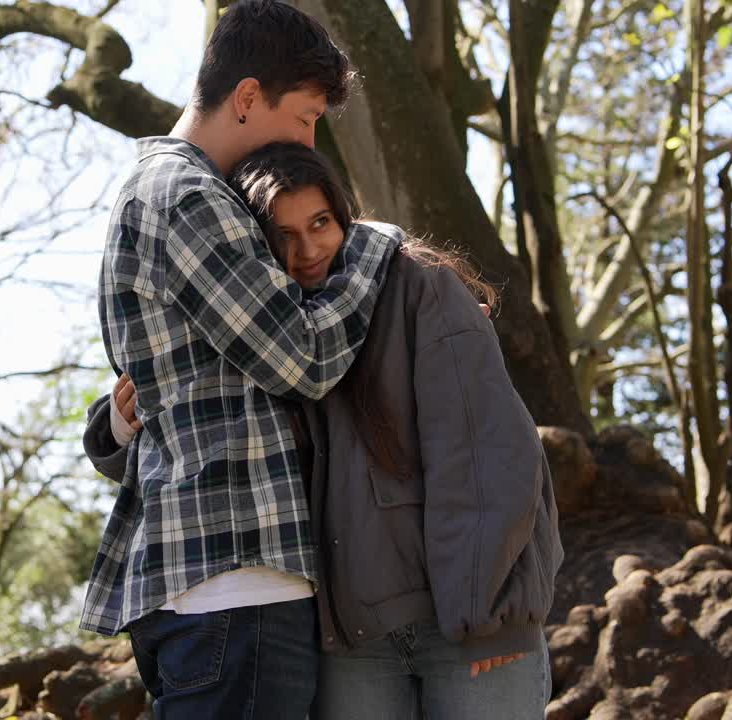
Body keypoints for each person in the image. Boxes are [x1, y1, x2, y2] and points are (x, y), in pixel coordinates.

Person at [85, 142, 564, 719]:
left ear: (344, 214)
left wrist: (493, 610)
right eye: (284, 236)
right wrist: (115, 423)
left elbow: (491, 453)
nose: (307, 249)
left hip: (463, 622)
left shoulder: (419, 289)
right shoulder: (268, 333)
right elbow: (189, 422)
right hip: (350, 642)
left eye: (320, 223)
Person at [79, 2, 399, 719]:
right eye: (309, 115)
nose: (312, 138)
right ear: (249, 97)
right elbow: (305, 358)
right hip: (238, 585)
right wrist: (373, 246)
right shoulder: (190, 196)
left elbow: (169, 390)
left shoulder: (159, 193)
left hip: (208, 589)